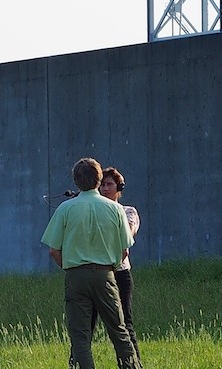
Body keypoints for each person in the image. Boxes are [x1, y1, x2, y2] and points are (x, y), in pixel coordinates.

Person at [41, 157, 142, 369]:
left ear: (76, 181)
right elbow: (124, 249)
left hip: (76, 275)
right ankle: (132, 366)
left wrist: (69, 267)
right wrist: (111, 267)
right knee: (119, 329)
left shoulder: (66, 208)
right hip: (106, 273)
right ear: (98, 180)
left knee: (80, 336)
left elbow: (53, 249)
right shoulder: (115, 209)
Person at [101, 166, 142, 362]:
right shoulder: (94, 212)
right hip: (98, 271)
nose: (105, 188)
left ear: (119, 188)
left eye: (109, 184)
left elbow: (128, 234)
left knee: (125, 321)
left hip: (120, 271)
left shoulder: (128, 211)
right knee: (87, 323)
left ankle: (133, 362)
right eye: (102, 184)